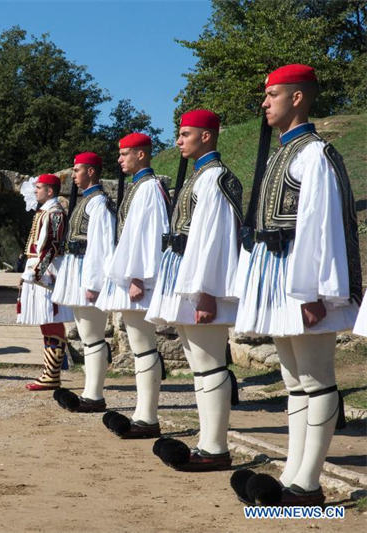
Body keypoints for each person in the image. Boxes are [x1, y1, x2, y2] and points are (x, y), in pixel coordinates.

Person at [231, 64, 361, 506]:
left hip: (301, 279)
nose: (265, 103)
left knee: (316, 377)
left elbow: (321, 228)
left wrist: (315, 292)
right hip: (277, 275)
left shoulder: (315, 154)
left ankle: (308, 483)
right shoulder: (281, 154)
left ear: (298, 98)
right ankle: (293, 472)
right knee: (293, 378)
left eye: (273, 94)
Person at [146, 109, 243, 471]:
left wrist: (205, 291)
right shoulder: (199, 177)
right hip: (183, 273)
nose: (179, 140)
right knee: (198, 364)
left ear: (206, 135)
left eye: (186, 133)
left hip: (202, 280)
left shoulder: (214, 178)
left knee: (209, 363)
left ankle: (215, 447)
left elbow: (214, 239)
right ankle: (207, 441)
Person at [98, 133, 171, 437]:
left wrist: (138, 276)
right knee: (140, 347)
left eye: (125, 153)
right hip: (132, 276)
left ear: (141, 155)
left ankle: (148, 416)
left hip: (138, 278)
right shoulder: (138, 187)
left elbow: (150, 234)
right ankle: (143, 412)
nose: (120, 159)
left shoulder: (148, 188)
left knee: (144, 347)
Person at [51, 152, 115, 412]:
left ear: (90, 171)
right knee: (88, 337)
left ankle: (95, 395)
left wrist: (94, 283)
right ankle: (90, 391)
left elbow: (102, 246)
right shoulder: (87, 201)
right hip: (77, 268)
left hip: (87, 271)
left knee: (93, 337)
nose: (74, 176)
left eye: (77, 170)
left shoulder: (98, 203)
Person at [17, 174, 74, 391]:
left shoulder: (55, 212)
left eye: (39, 187)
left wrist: (37, 272)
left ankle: (52, 374)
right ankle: (49, 372)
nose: (35, 191)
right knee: (46, 321)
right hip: (39, 270)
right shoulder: (46, 211)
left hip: (47, 273)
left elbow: (51, 246)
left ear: (50, 191)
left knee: (51, 319)